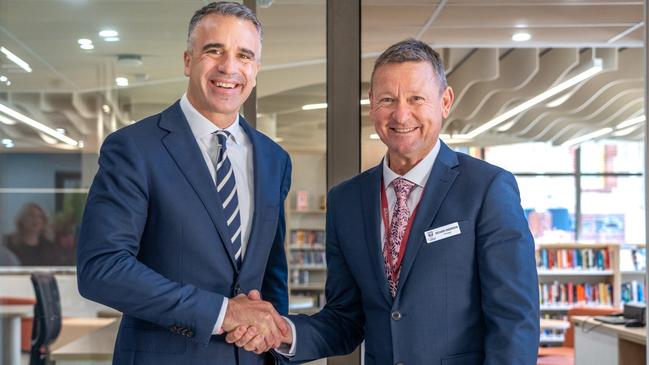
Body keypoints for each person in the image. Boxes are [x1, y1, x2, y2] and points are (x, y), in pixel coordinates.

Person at [229, 39, 540, 364]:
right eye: (388, 99)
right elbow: (344, 319)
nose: (401, 114)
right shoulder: (346, 201)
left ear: (445, 102)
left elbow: (514, 319)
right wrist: (284, 332)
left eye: (416, 98)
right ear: (372, 104)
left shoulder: (487, 188)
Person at [76, 2, 291, 364]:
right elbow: (103, 267)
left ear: (255, 70)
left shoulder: (274, 159)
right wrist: (223, 313)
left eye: (244, 55)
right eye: (214, 50)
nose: (229, 67)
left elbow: (272, 273)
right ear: (188, 60)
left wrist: (273, 340)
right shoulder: (133, 148)